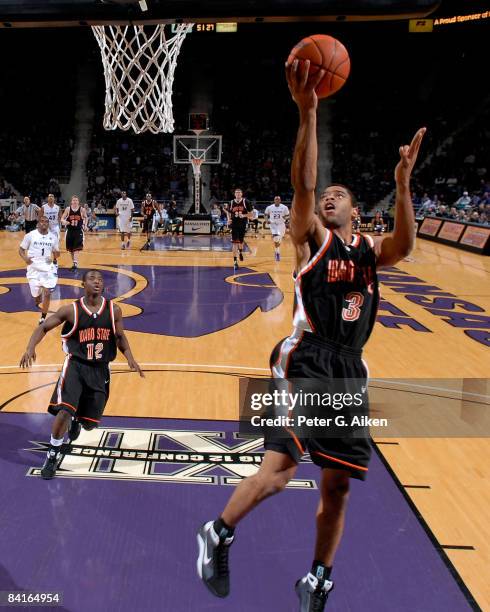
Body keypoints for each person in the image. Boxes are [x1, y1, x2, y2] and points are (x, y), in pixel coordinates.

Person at [196, 58, 426, 611]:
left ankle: (318, 578)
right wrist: (308, 114)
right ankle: (219, 532)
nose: (329, 197)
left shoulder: (371, 251)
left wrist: (401, 185)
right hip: (305, 357)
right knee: (278, 471)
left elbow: (406, 245)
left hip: (350, 366)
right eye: (327, 195)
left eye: (340, 195)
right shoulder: (310, 240)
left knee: (339, 484)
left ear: (355, 208)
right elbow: (303, 181)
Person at [19, 269, 144, 480]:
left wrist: (130, 357)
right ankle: (52, 454)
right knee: (64, 411)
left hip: (100, 369)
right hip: (76, 366)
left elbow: (120, 337)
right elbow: (43, 328)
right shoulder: (71, 310)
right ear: (82, 285)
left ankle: (78, 420)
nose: (97, 282)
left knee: (90, 424)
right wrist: (30, 347)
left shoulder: (114, 310)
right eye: (92, 279)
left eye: (100, 279)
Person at [18, 215, 60, 324]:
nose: (44, 223)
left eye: (46, 221)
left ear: (48, 224)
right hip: (33, 268)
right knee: (36, 296)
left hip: (47, 268)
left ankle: (43, 317)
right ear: (38, 223)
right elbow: (21, 250)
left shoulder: (53, 237)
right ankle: (37, 294)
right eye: (42, 221)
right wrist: (25, 258)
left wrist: (56, 256)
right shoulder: (30, 235)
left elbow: (56, 253)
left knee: (47, 292)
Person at [227, 188, 252, 269]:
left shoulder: (246, 202)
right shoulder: (231, 202)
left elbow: (251, 214)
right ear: (234, 194)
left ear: (242, 194)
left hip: (242, 224)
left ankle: (240, 252)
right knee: (235, 243)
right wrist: (229, 219)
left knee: (241, 242)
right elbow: (228, 212)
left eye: (239, 193)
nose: (238, 194)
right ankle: (235, 261)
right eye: (236, 193)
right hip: (234, 225)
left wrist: (244, 216)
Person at [61, 196, 87, 270]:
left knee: (76, 248)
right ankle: (74, 263)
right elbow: (62, 218)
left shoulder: (82, 209)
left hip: (78, 231)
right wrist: (65, 222)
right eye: (73, 200)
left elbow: (85, 217)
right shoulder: (68, 209)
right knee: (71, 249)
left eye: (76, 200)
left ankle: (75, 263)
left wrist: (85, 225)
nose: (75, 201)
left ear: (78, 202)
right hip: (70, 231)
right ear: (71, 202)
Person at [264, 195, 290, 260]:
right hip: (273, 224)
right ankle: (278, 253)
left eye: (278, 199)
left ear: (280, 200)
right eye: (276, 199)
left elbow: (287, 216)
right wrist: (267, 220)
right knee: (276, 238)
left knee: (279, 239)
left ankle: (276, 250)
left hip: (281, 224)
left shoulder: (284, 207)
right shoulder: (269, 207)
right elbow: (266, 214)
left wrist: (286, 219)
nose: (277, 200)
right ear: (274, 200)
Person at [41, 193, 61, 266]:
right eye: (49, 197)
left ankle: (55, 259)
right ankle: (47, 259)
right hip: (46, 227)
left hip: (55, 227)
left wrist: (60, 226)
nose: (51, 198)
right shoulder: (43, 207)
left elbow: (60, 217)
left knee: (55, 244)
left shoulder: (57, 207)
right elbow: (40, 217)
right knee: (46, 244)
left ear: (54, 198)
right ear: (47, 198)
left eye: (52, 196)